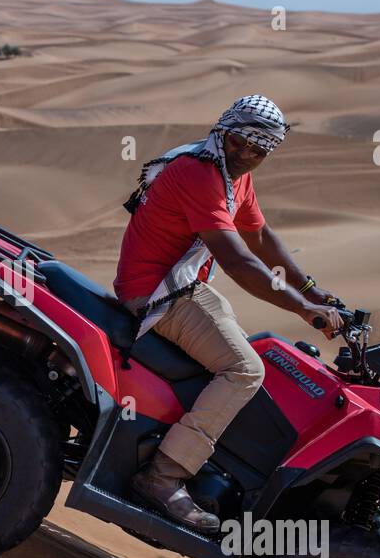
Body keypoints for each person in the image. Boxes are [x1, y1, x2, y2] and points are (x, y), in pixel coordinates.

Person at [115, 95, 344, 531]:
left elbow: (260, 237)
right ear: (225, 133)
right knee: (244, 369)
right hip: (158, 294)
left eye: (260, 150)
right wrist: (303, 309)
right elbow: (239, 261)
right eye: (242, 142)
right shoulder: (200, 173)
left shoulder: (231, 175)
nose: (249, 154)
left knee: (254, 350)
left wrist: (314, 290)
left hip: (185, 286)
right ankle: (162, 477)